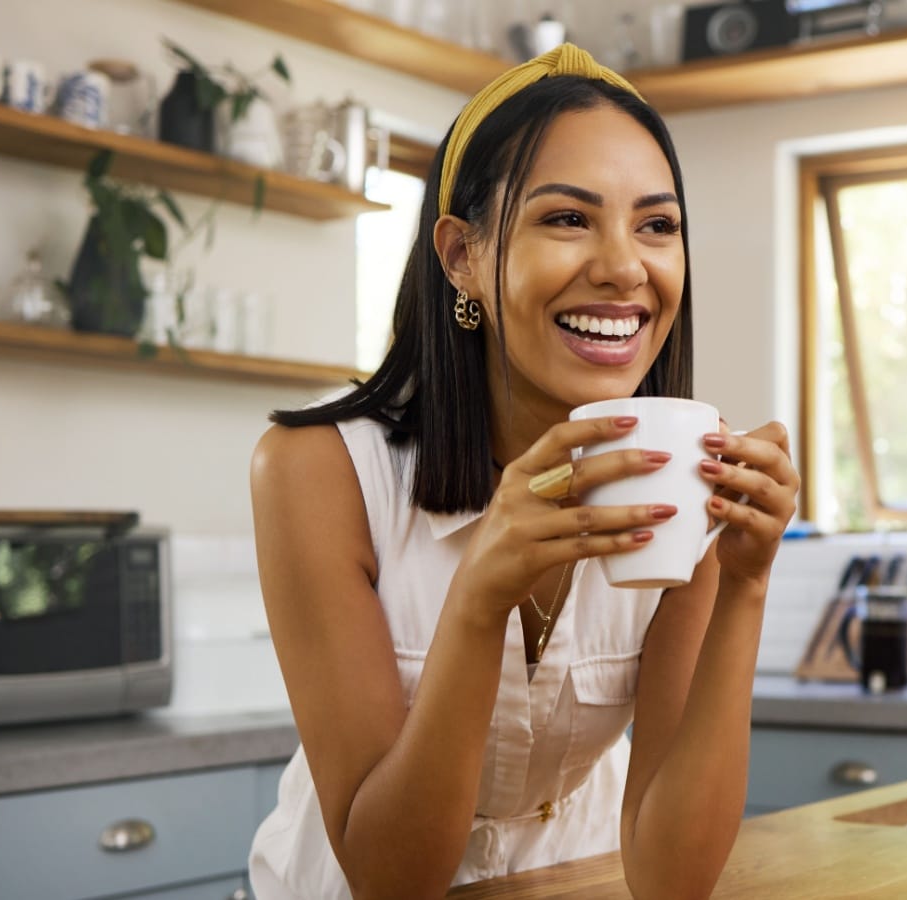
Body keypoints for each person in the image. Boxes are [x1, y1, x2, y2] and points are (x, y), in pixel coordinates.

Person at [246, 44, 799, 898]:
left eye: (657, 225)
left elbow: (671, 879)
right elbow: (391, 880)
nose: (625, 268)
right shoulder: (316, 474)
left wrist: (743, 587)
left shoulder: (683, 476)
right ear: (462, 254)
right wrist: (480, 598)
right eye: (568, 219)